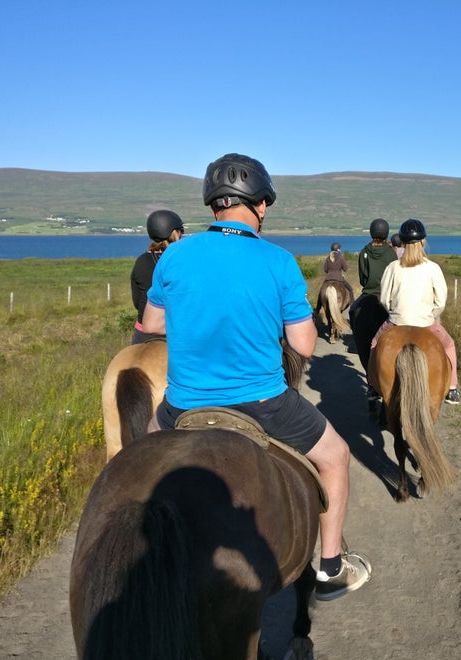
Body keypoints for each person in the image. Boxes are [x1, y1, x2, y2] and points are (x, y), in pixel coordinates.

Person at [142, 153, 371, 600]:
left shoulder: (174, 256)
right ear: (261, 205)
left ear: (213, 206)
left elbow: (150, 325)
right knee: (336, 456)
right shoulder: (279, 261)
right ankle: (328, 569)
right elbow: (305, 346)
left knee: (135, 457)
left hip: (182, 405)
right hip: (264, 402)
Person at [371, 218, 461, 404]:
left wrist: (394, 312)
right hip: (426, 322)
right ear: (422, 242)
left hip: (396, 321)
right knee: (449, 345)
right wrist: (431, 316)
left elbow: (384, 298)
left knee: (374, 344)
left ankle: (372, 385)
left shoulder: (393, 267)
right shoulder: (433, 268)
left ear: (403, 243)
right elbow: (441, 300)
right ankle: (452, 389)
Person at [349, 218, 398, 404]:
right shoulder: (391, 253)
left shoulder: (363, 252)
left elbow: (362, 279)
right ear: (386, 233)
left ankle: (371, 384)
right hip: (387, 300)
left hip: (368, 295)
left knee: (353, 312)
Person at [129, 209, 184, 344]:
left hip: (142, 332)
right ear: (176, 233)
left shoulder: (141, 260)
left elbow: (137, 302)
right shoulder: (181, 259)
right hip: (172, 329)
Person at [315, 241, 354, 315]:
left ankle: (318, 308)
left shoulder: (328, 258)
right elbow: (345, 269)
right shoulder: (341, 257)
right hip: (339, 278)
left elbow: (325, 270)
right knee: (350, 290)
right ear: (338, 249)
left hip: (328, 279)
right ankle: (352, 306)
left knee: (321, 292)